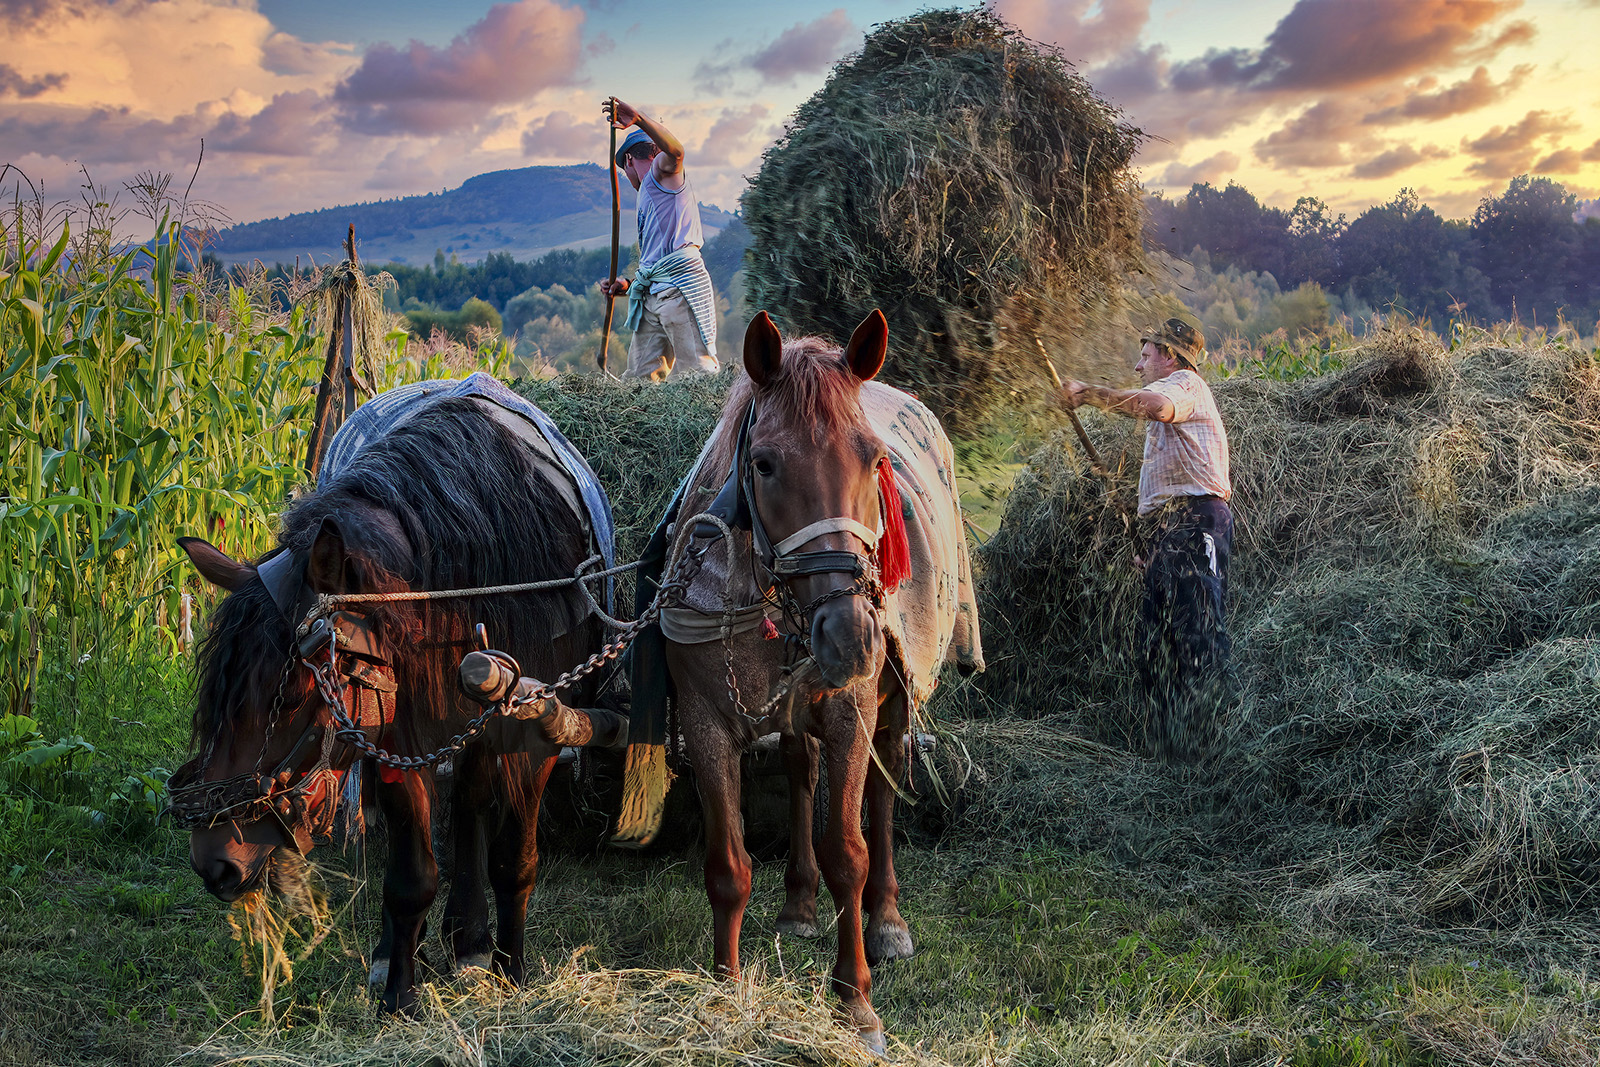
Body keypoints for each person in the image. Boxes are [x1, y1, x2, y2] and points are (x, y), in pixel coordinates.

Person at [1059, 317, 1233, 760]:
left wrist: (1089, 394)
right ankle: (1167, 753)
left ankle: (1209, 753)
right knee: (1156, 646)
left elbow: (1155, 406)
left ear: (1170, 356)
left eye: (1145, 355)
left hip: (1195, 526)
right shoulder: (1173, 391)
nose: (1138, 367)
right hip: (1171, 533)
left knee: (1196, 637)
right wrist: (1154, 547)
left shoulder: (1186, 385)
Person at [598, 99, 720, 380]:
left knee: (698, 376)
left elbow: (677, 152)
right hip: (653, 296)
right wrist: (627, 285)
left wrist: (638, 118)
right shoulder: (648, 191)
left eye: (625, 170)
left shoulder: (661, 173)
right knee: (638, 380)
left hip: (679, 291)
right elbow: (657, 259)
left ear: (629, 160)